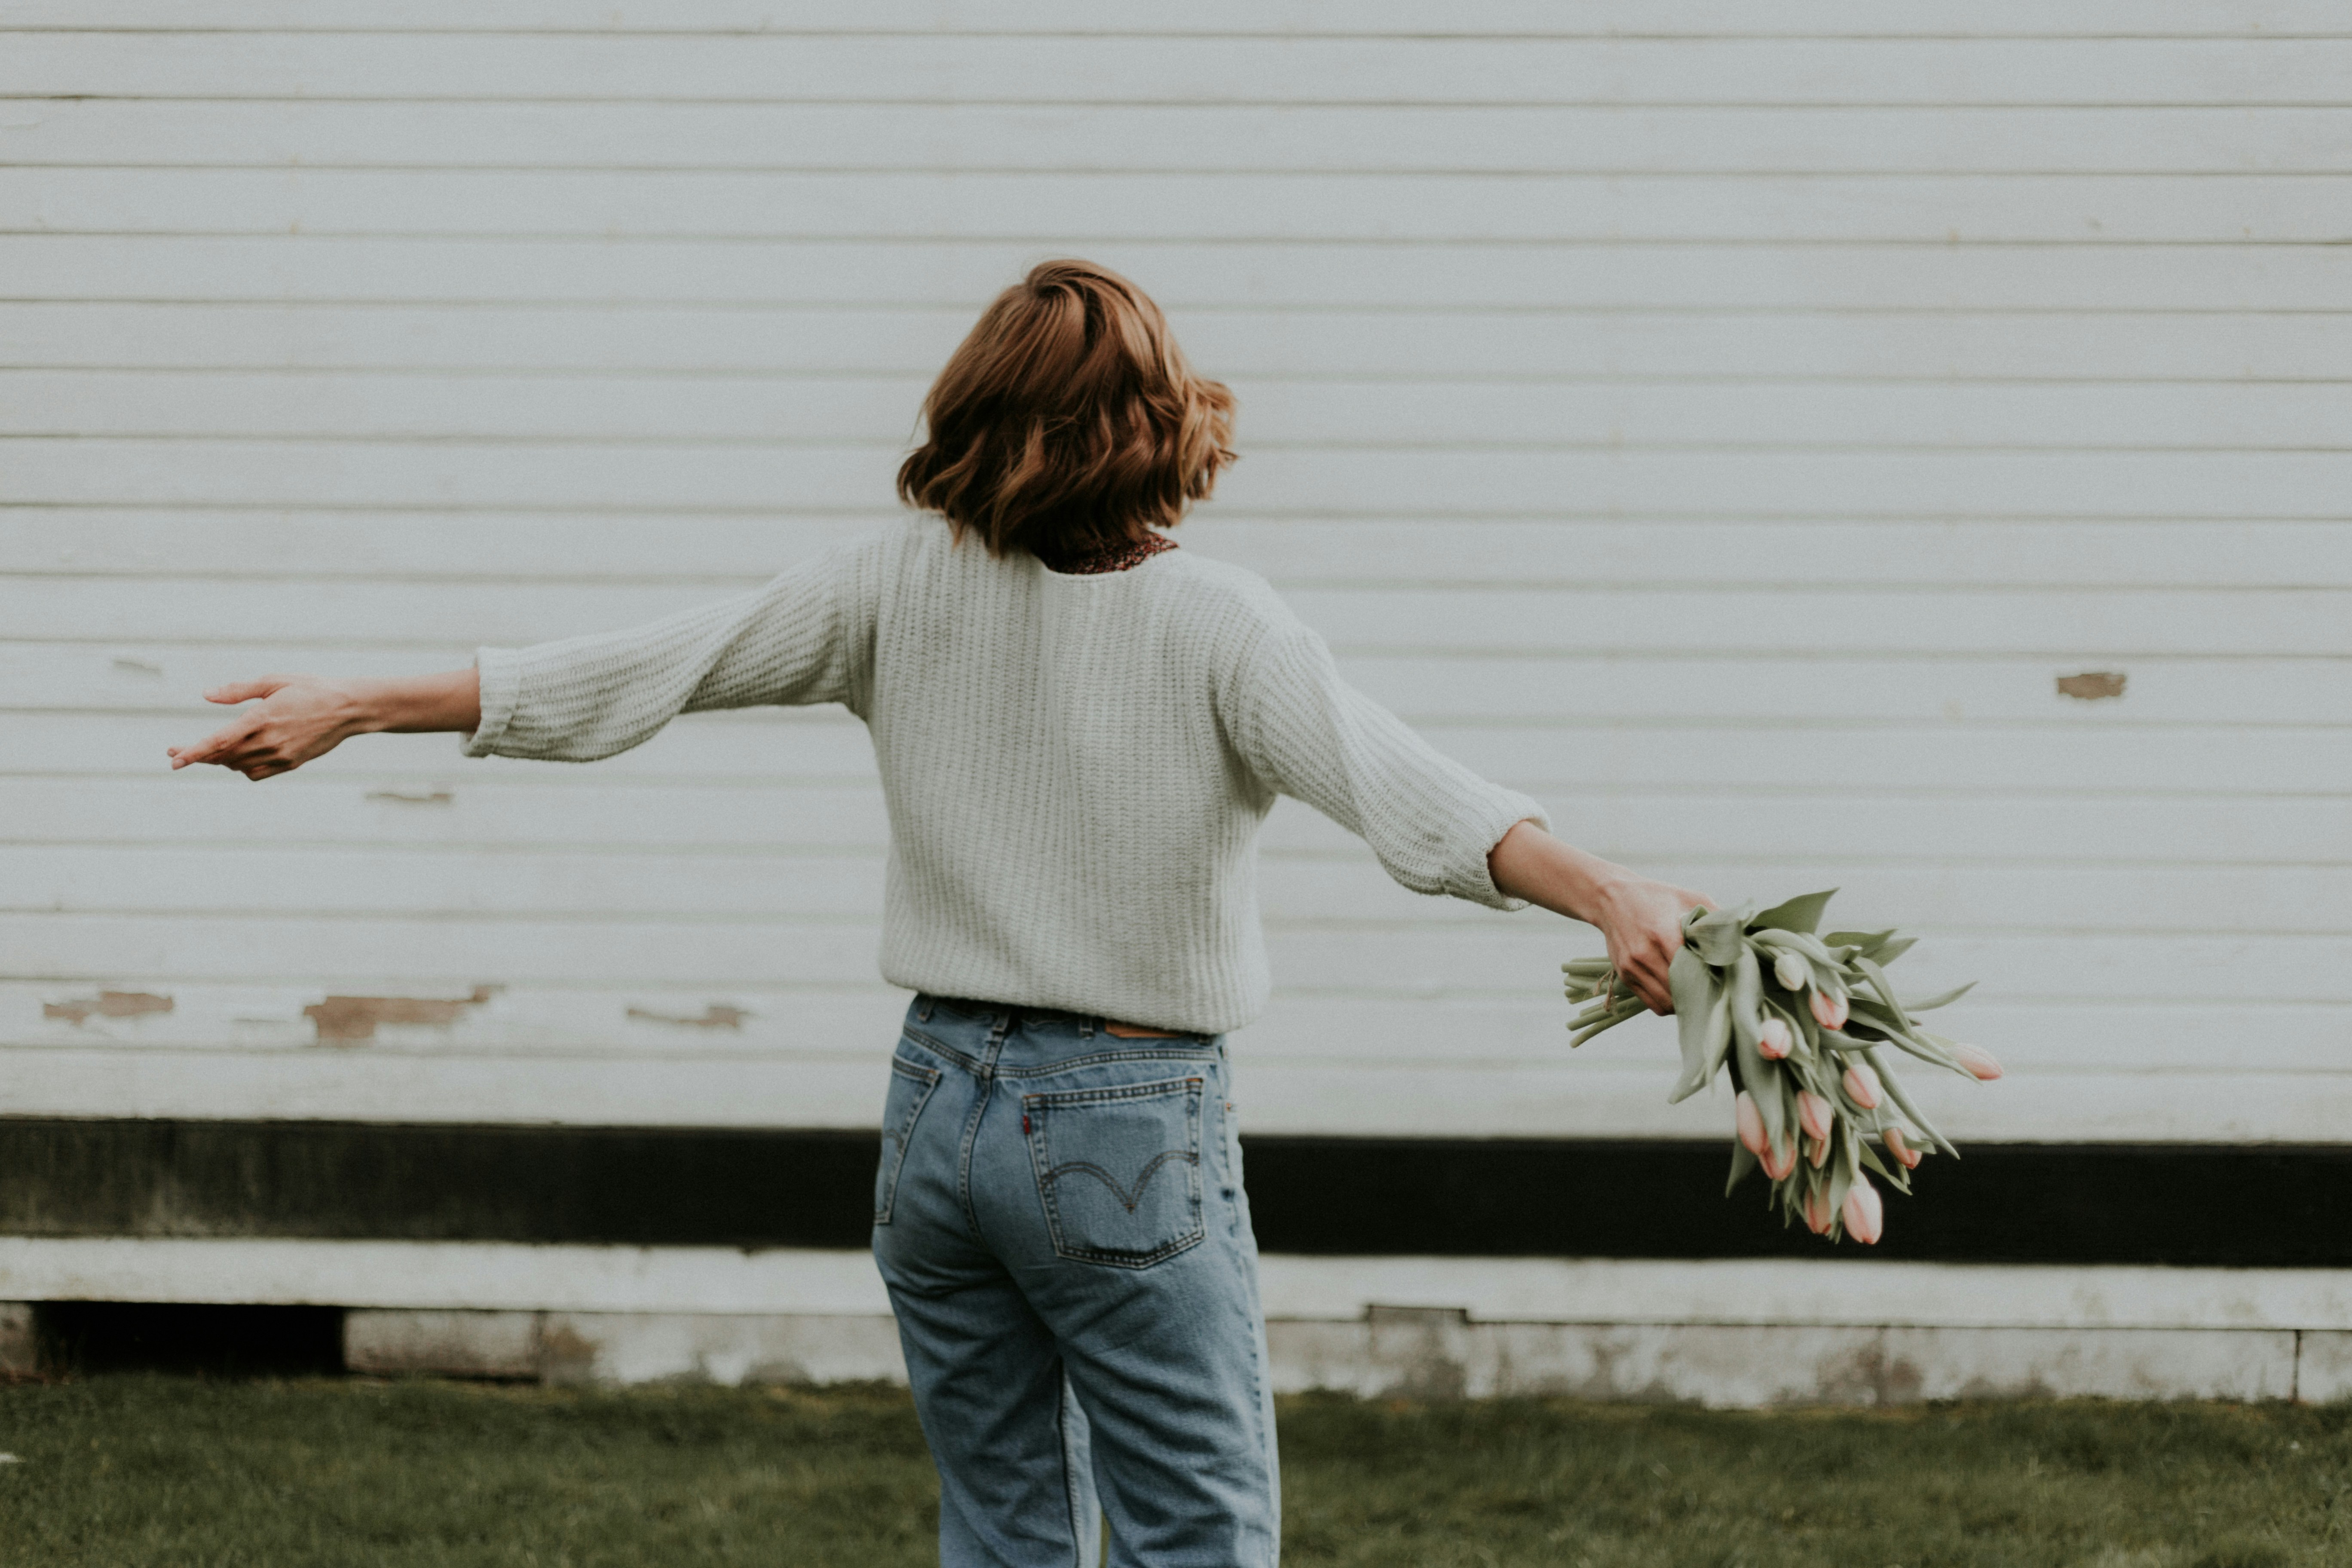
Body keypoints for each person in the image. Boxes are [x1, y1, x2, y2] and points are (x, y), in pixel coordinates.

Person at [170, 259, 1704, 1567]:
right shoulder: (1221, 623)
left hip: (937, 1114)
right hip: (1123, 1123)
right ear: (1163, 424)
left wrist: (360, 702)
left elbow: (641, 672)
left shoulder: (898, 582)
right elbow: (1419, 801)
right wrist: (1607, 891)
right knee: (1200, 1535)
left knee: (1003, 1535)